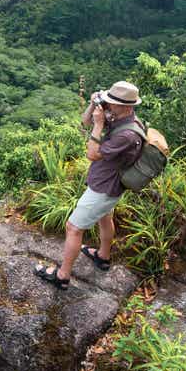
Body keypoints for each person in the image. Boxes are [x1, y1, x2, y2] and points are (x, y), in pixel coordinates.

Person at [35, 80, 145, 288]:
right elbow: (84, 123)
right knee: (105, 217)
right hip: (107, 184)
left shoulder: (128, 134)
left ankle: (62, 276)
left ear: (128, 107)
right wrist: (93, 105)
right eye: (109, 101)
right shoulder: (120, 117)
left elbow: (91, 154)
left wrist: (99, 124)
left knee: (74, 227)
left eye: (113, 103)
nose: (109, 106)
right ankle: (103, 257)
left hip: (105, 188)